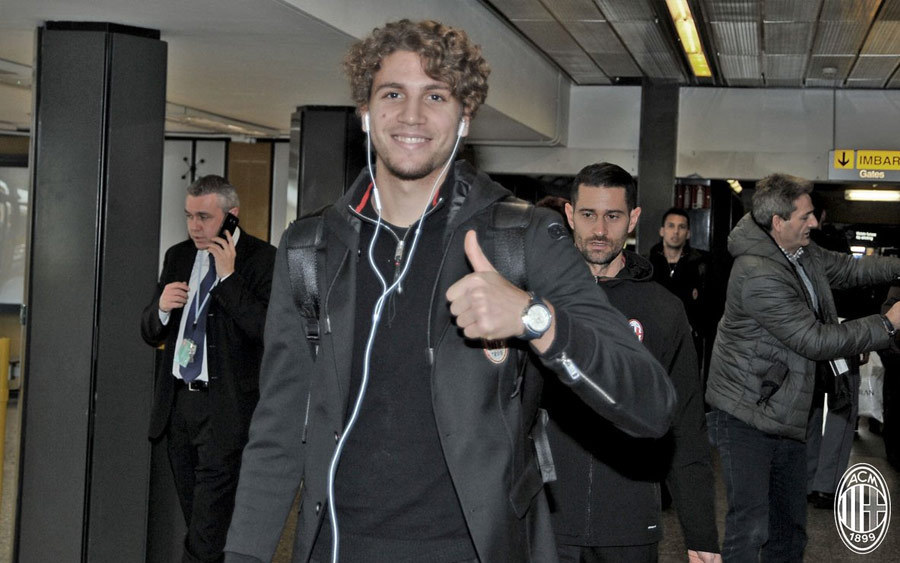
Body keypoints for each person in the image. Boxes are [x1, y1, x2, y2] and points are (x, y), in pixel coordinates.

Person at [224, 19, 676, 563]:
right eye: (393, 94)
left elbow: (651, 404)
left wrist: (535, 319)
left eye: (435, 95)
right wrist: (244, 555)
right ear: (365, 112)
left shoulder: (524, 238)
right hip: (336, 548)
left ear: (465, 117)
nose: (412, 115)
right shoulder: (310, 247)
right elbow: (278, 427)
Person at [704, 173, 900, 561]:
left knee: (790, 529)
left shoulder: (799, 252)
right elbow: (815, 339)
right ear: (778, 221)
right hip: (746, 415)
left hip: (783, 409)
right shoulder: (758, 273)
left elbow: (848, 270)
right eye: (805, 216)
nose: (814, 222)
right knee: (751, 526)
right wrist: (887, 324)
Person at [542, 162, 720, 563]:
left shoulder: (662, 310)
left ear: (633, 219)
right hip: (548, 522)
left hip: (630, 525)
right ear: (570, 214)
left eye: (613, 216)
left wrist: (702, 534)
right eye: (588, 214)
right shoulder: (536, 302)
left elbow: (686, 426)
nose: (599, 229)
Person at [140, 175, 276, 563]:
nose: (194, 227)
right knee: (202, 522)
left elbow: (267, 331)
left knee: (205, 530)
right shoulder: (178, 257)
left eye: (204, 217)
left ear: (232, 215)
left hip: (224, 411)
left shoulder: (262, 260)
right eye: (189, 216)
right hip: (179, 408)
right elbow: (150, 332)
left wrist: (228, 278)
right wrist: (161, 308)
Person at [647, 208, 714, 365]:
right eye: (671, 226)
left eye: (681, 227)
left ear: (688, 233)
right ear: (662, 231)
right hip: (654, 343)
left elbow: (710, 309)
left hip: (688, 344)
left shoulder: (701, 265)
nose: (676, 232)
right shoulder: (647, 265)